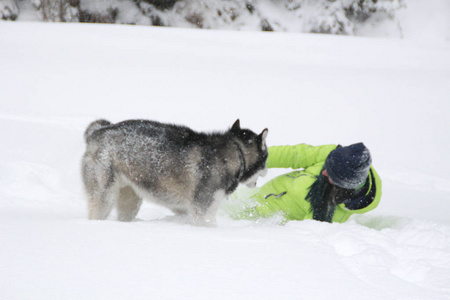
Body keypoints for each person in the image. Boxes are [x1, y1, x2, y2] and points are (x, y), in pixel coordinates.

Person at [228, 143, 382, 223]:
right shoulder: (336, 157)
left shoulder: (332, 215)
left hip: (264, 222)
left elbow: (301, 238)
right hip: (259, 196)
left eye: (331, 175)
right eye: (326, 167)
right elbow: (293, 155)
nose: (323, 172)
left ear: (343, 185)